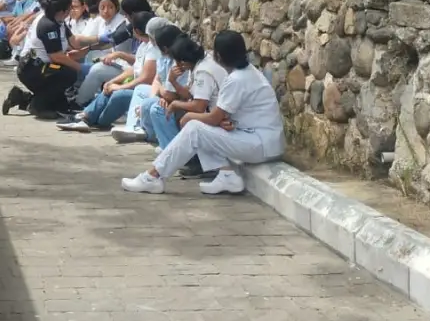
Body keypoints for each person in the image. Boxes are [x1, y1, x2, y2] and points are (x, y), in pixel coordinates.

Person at [121, 30, 285, 196]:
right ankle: (226, 174)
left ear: (219, 56)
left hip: (260, 144)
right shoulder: (248, 72)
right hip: (262, 140)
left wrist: (190, 116)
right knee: (200, 128)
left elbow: (212, 117)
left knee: (194, 128)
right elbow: (228, 115)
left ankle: (153, 176)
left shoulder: (237, 79)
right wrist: (223, 122)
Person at [141, 30, 230, 179]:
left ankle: (190, 160)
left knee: (179, 116)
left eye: (177, 61)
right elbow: (189, 94)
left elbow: (198, 106)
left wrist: (176, 104)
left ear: (183, 60)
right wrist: (174, 81)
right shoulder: (198, 63)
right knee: (161, 110)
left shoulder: (203, 71)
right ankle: (178, 156)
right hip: (210, 112)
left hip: (217, 116)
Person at [57, 11, 158, 132]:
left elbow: (146, 79)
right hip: (136, 87)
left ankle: (88, 119)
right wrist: (113, 82)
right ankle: (85, 117)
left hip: (145, 93)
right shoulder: (144, 46)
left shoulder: (154, 49)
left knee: (117, 95)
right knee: (108, 88)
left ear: (135, 31)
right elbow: (135, 69)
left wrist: (120, 87)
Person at [3, 0, 81, 119]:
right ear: (63, 11)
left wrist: (99, 40)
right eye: (69, 9)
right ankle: (37, 106)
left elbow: (75, 42)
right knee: (69, 74)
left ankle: (20, 97)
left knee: (61, 105)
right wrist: (80, 68)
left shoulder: (58, 21)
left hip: (39, 67)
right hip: (33, 68)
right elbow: (56, 56)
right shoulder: (47, 25)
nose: (71, 11)